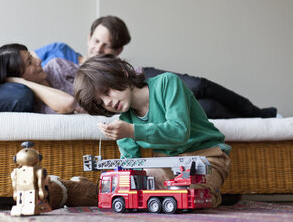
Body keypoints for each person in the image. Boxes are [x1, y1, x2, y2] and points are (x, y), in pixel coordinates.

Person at [0, 16, 277, 119]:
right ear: (89, 38)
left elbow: (23, 57)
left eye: (107, 46)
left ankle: (257, 115)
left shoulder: (58, 58)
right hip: (117, 89)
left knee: (197, 85)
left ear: (118, 51)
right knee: (205, 106)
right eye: (97, 42)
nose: (99, 48)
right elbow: (9, 58)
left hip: (132, 78)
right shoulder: (48, 58)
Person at [73, 54, 232, 207]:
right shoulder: (125, 124)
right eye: (101, 103)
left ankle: (212, 195)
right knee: (143, 191)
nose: (108, 102)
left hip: (206, 157)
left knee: (189, 197)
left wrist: (133, 131)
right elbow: (131, 167)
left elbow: (180, 131)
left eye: (107, 91)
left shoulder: (167, 83)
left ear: (123, 73)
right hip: (167, 164)